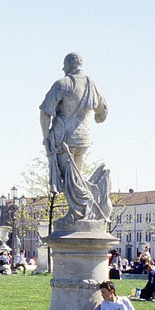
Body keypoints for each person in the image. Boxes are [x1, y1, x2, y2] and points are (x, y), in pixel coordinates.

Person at [39, 52, 110, 225]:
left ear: (68, 66)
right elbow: (103, 110)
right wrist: (96, 117)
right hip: (83, 139)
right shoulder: (91, 84)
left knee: (70, 180)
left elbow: (45, 112)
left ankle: (80, 212)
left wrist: (46, 136)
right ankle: (82, 213)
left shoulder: (63, 83)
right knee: (76, 177)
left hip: (64, 139)